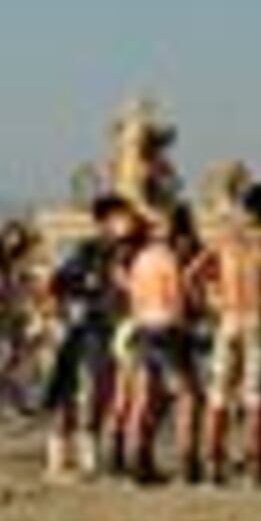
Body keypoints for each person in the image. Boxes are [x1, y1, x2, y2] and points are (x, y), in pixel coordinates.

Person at [196, 184, 261, 485]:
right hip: (257, 318)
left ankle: (213, 465)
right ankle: (256, 466)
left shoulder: (226, 239)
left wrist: (209, 301)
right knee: (256, 396)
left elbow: (192, 273)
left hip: (228, 317)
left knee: (218, 394)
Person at [42, 197, 132, 482]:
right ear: (105, 222)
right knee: (67, 393)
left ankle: (88, 455)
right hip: (77, 330)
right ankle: (58, 459)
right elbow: (55, 284)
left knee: (100, 391)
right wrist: (61, 314)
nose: (126, 223)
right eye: (121, 217)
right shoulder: (85, 251)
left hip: (104, 330)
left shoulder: (123, 253)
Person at [113, 204, 195, 487]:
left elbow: (134, 300)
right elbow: (177, 296)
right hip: (167, 326)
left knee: (144, 397)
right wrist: (183, 326)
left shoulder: (139, 260)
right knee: (186, 396)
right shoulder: (168, 259)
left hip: (143, 327)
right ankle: (188, 461)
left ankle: (137, 461)